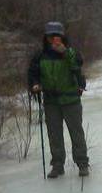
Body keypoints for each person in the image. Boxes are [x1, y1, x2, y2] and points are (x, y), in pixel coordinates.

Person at [28, 21, 90, 178]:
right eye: (51, 36)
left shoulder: (70, 53)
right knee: (54, 134)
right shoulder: (40, 56)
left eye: (57, 36)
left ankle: (82, 163)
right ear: (46, 38)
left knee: (76, 133)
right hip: (51, 101)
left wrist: (66, 52)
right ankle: (57, 165)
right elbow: (33, 73)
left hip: (70, 99)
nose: (54, 39)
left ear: (62, 37)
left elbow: (77, 65)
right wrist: (35, 84)